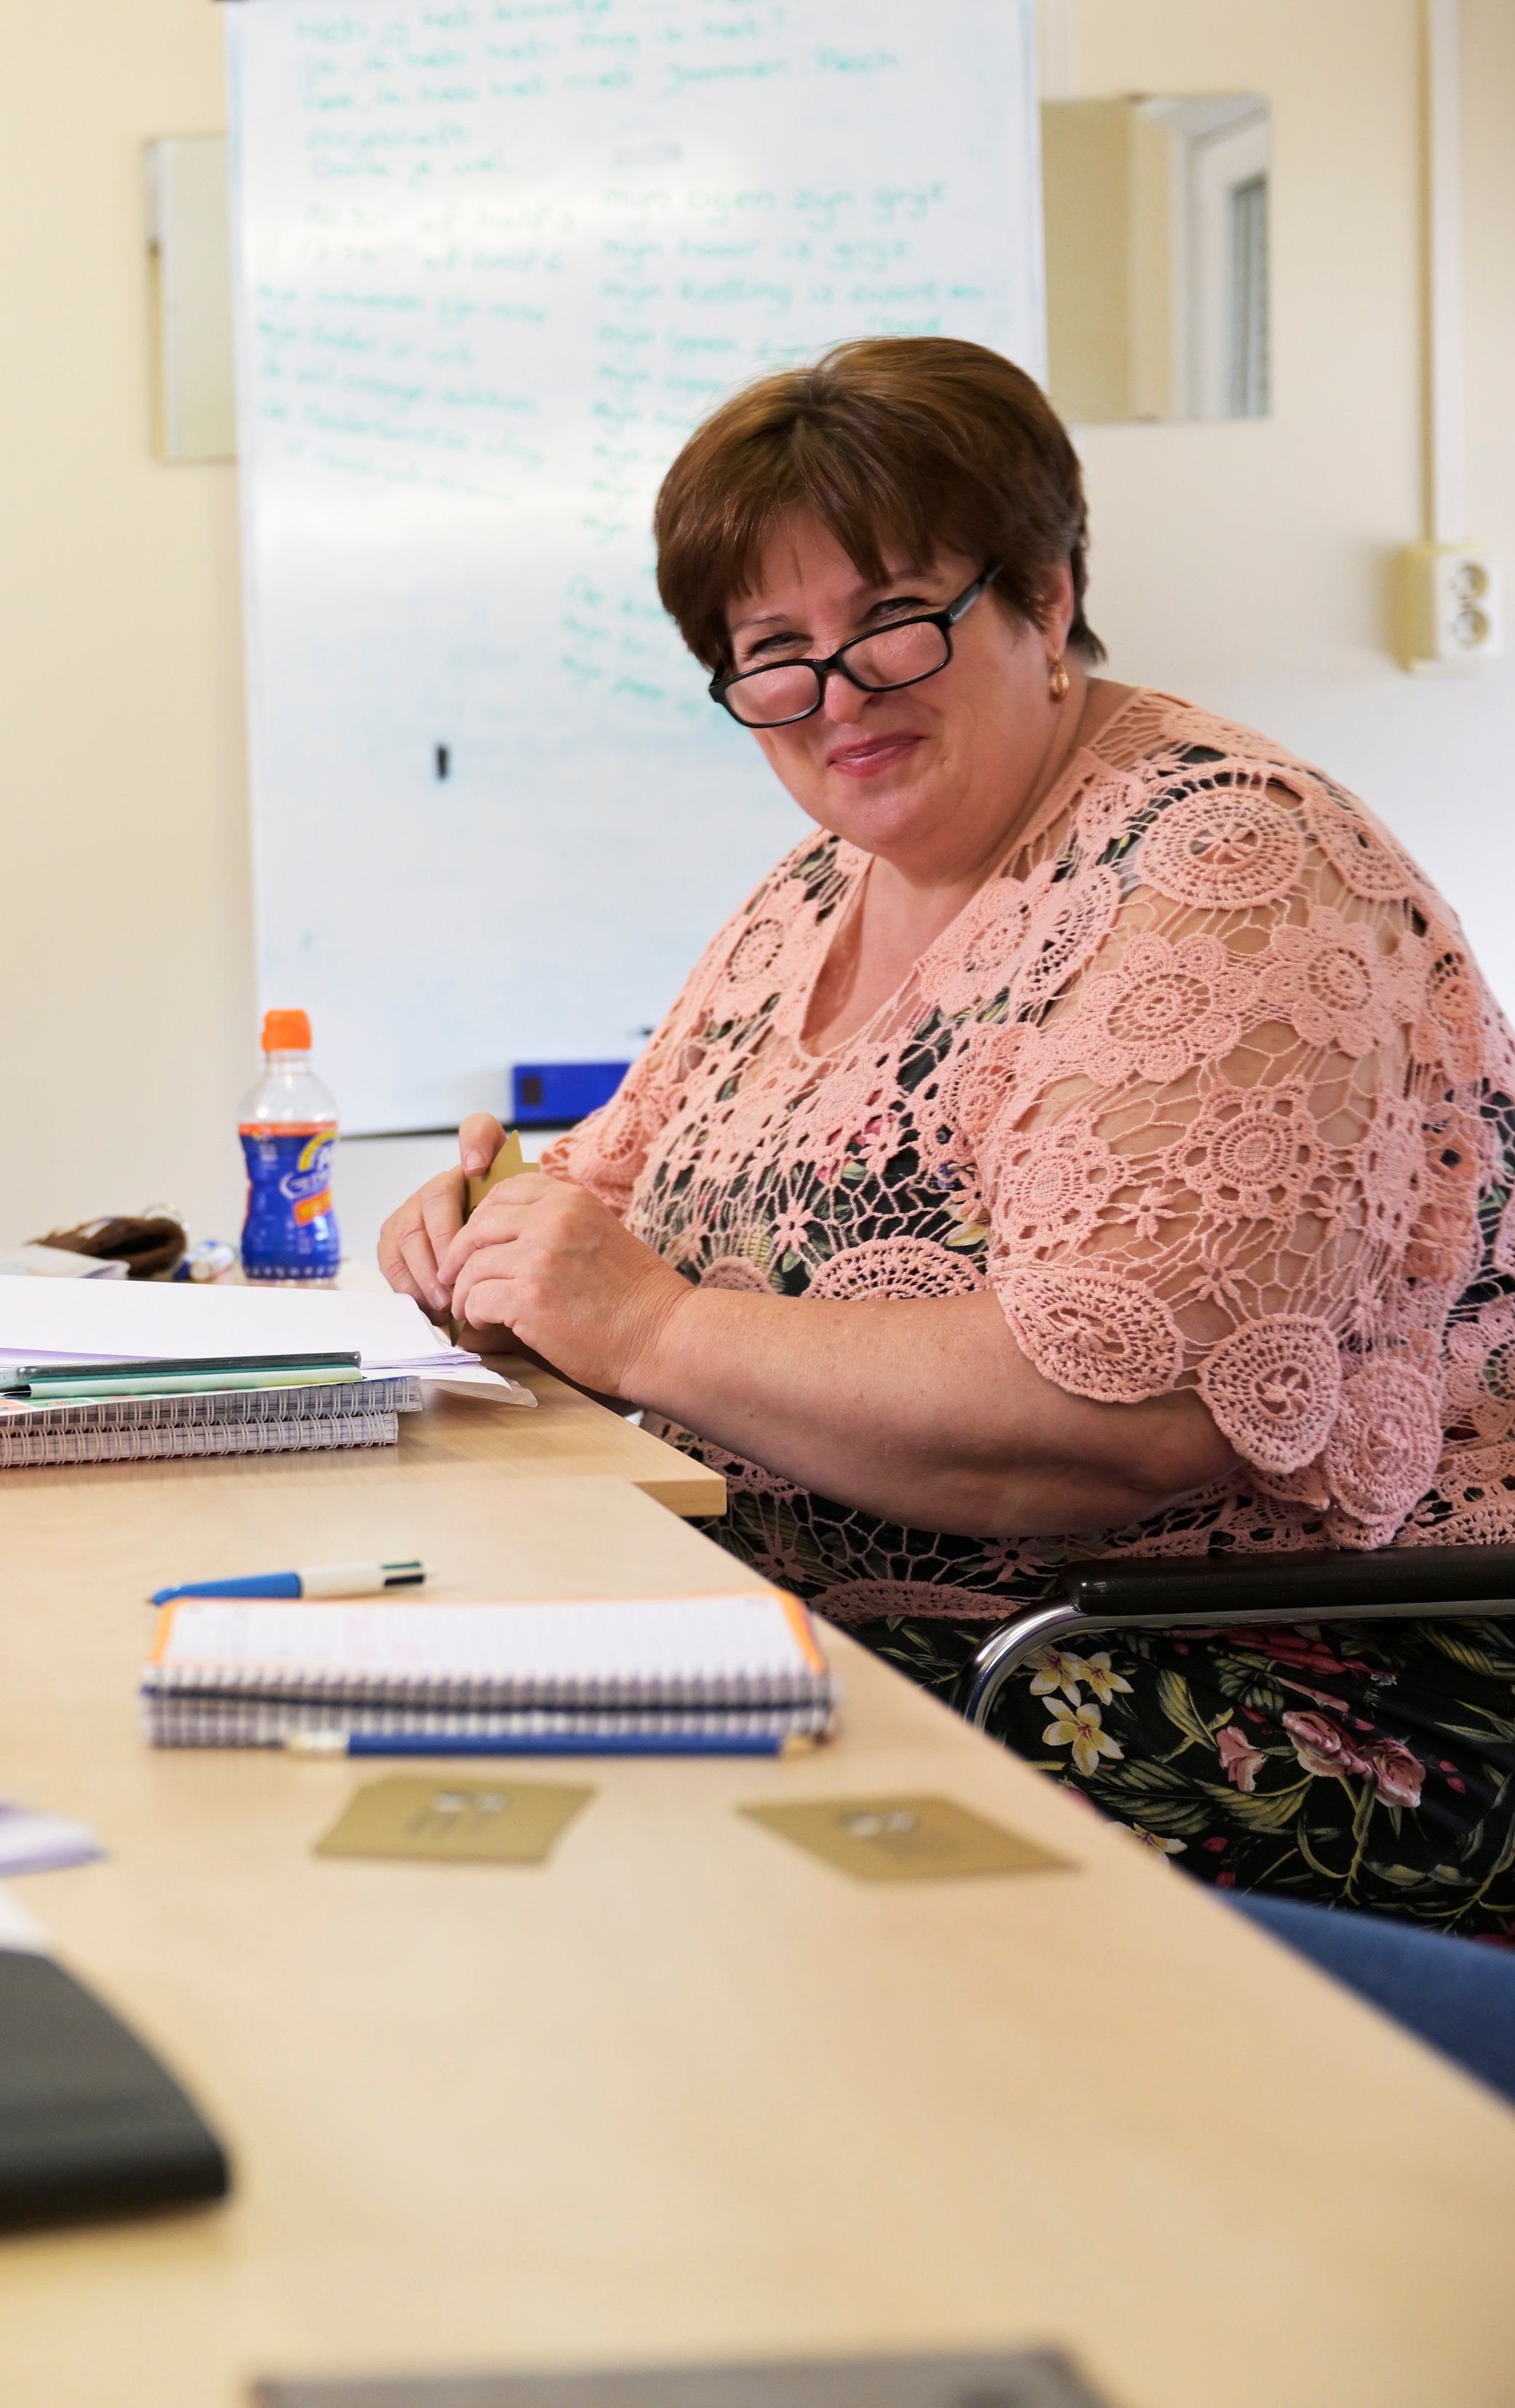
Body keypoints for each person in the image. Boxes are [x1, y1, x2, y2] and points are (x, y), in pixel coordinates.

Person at [380, 336, 1515, 1938]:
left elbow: (1122, 1408)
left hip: (1227, 1672)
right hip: (871, 1632)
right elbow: (601, 1211)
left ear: (1047, 597)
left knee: (565, 1885)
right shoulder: (816, 891)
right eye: (773, 652)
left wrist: (649, 1327)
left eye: (893, 624)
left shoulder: (1226, 869)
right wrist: (480, 1238)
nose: (836, 700)